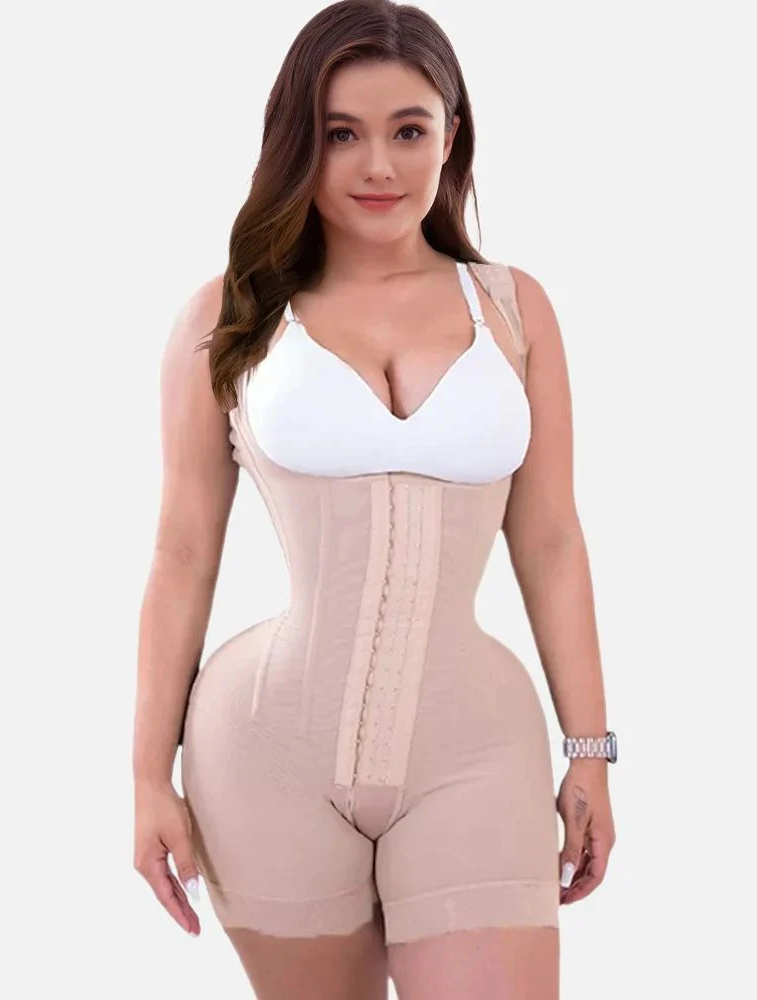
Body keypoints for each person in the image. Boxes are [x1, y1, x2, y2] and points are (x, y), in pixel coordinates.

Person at [132, 1, 617, 997]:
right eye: (341, 134)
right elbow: (182, 550)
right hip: (263, 754)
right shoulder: (231, 315)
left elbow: (552, 541)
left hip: (475, 748)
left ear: (452, 136)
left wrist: (591, 751)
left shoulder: (513, 308)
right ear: (297, 144)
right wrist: (146, 774)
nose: (378, 167)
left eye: (408, 130)